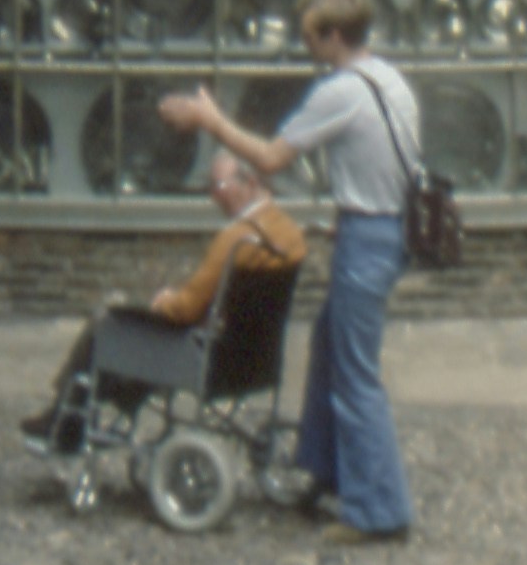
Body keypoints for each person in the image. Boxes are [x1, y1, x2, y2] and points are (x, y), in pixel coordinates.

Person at [165, 0, 422, 542]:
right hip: (381, 226)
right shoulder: (390, 80)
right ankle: (327, 473)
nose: (304, 46)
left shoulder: (342, 91)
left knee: (355, 375)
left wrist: (213, 122)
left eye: (310, 36)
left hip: (369, 237)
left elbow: (269, 158)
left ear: (333, 36)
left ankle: (378, 512)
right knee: (330, 346)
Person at [37, 147, 317, 458]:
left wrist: (164, 301)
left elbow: (187, 310)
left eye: (218, 186)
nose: (214, 197)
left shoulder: (235, 239)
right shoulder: (291, 236)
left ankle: (64, 419)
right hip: (258, 361)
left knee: (105, 325)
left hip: (214, 361)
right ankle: (105, 402)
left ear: (249, 182)